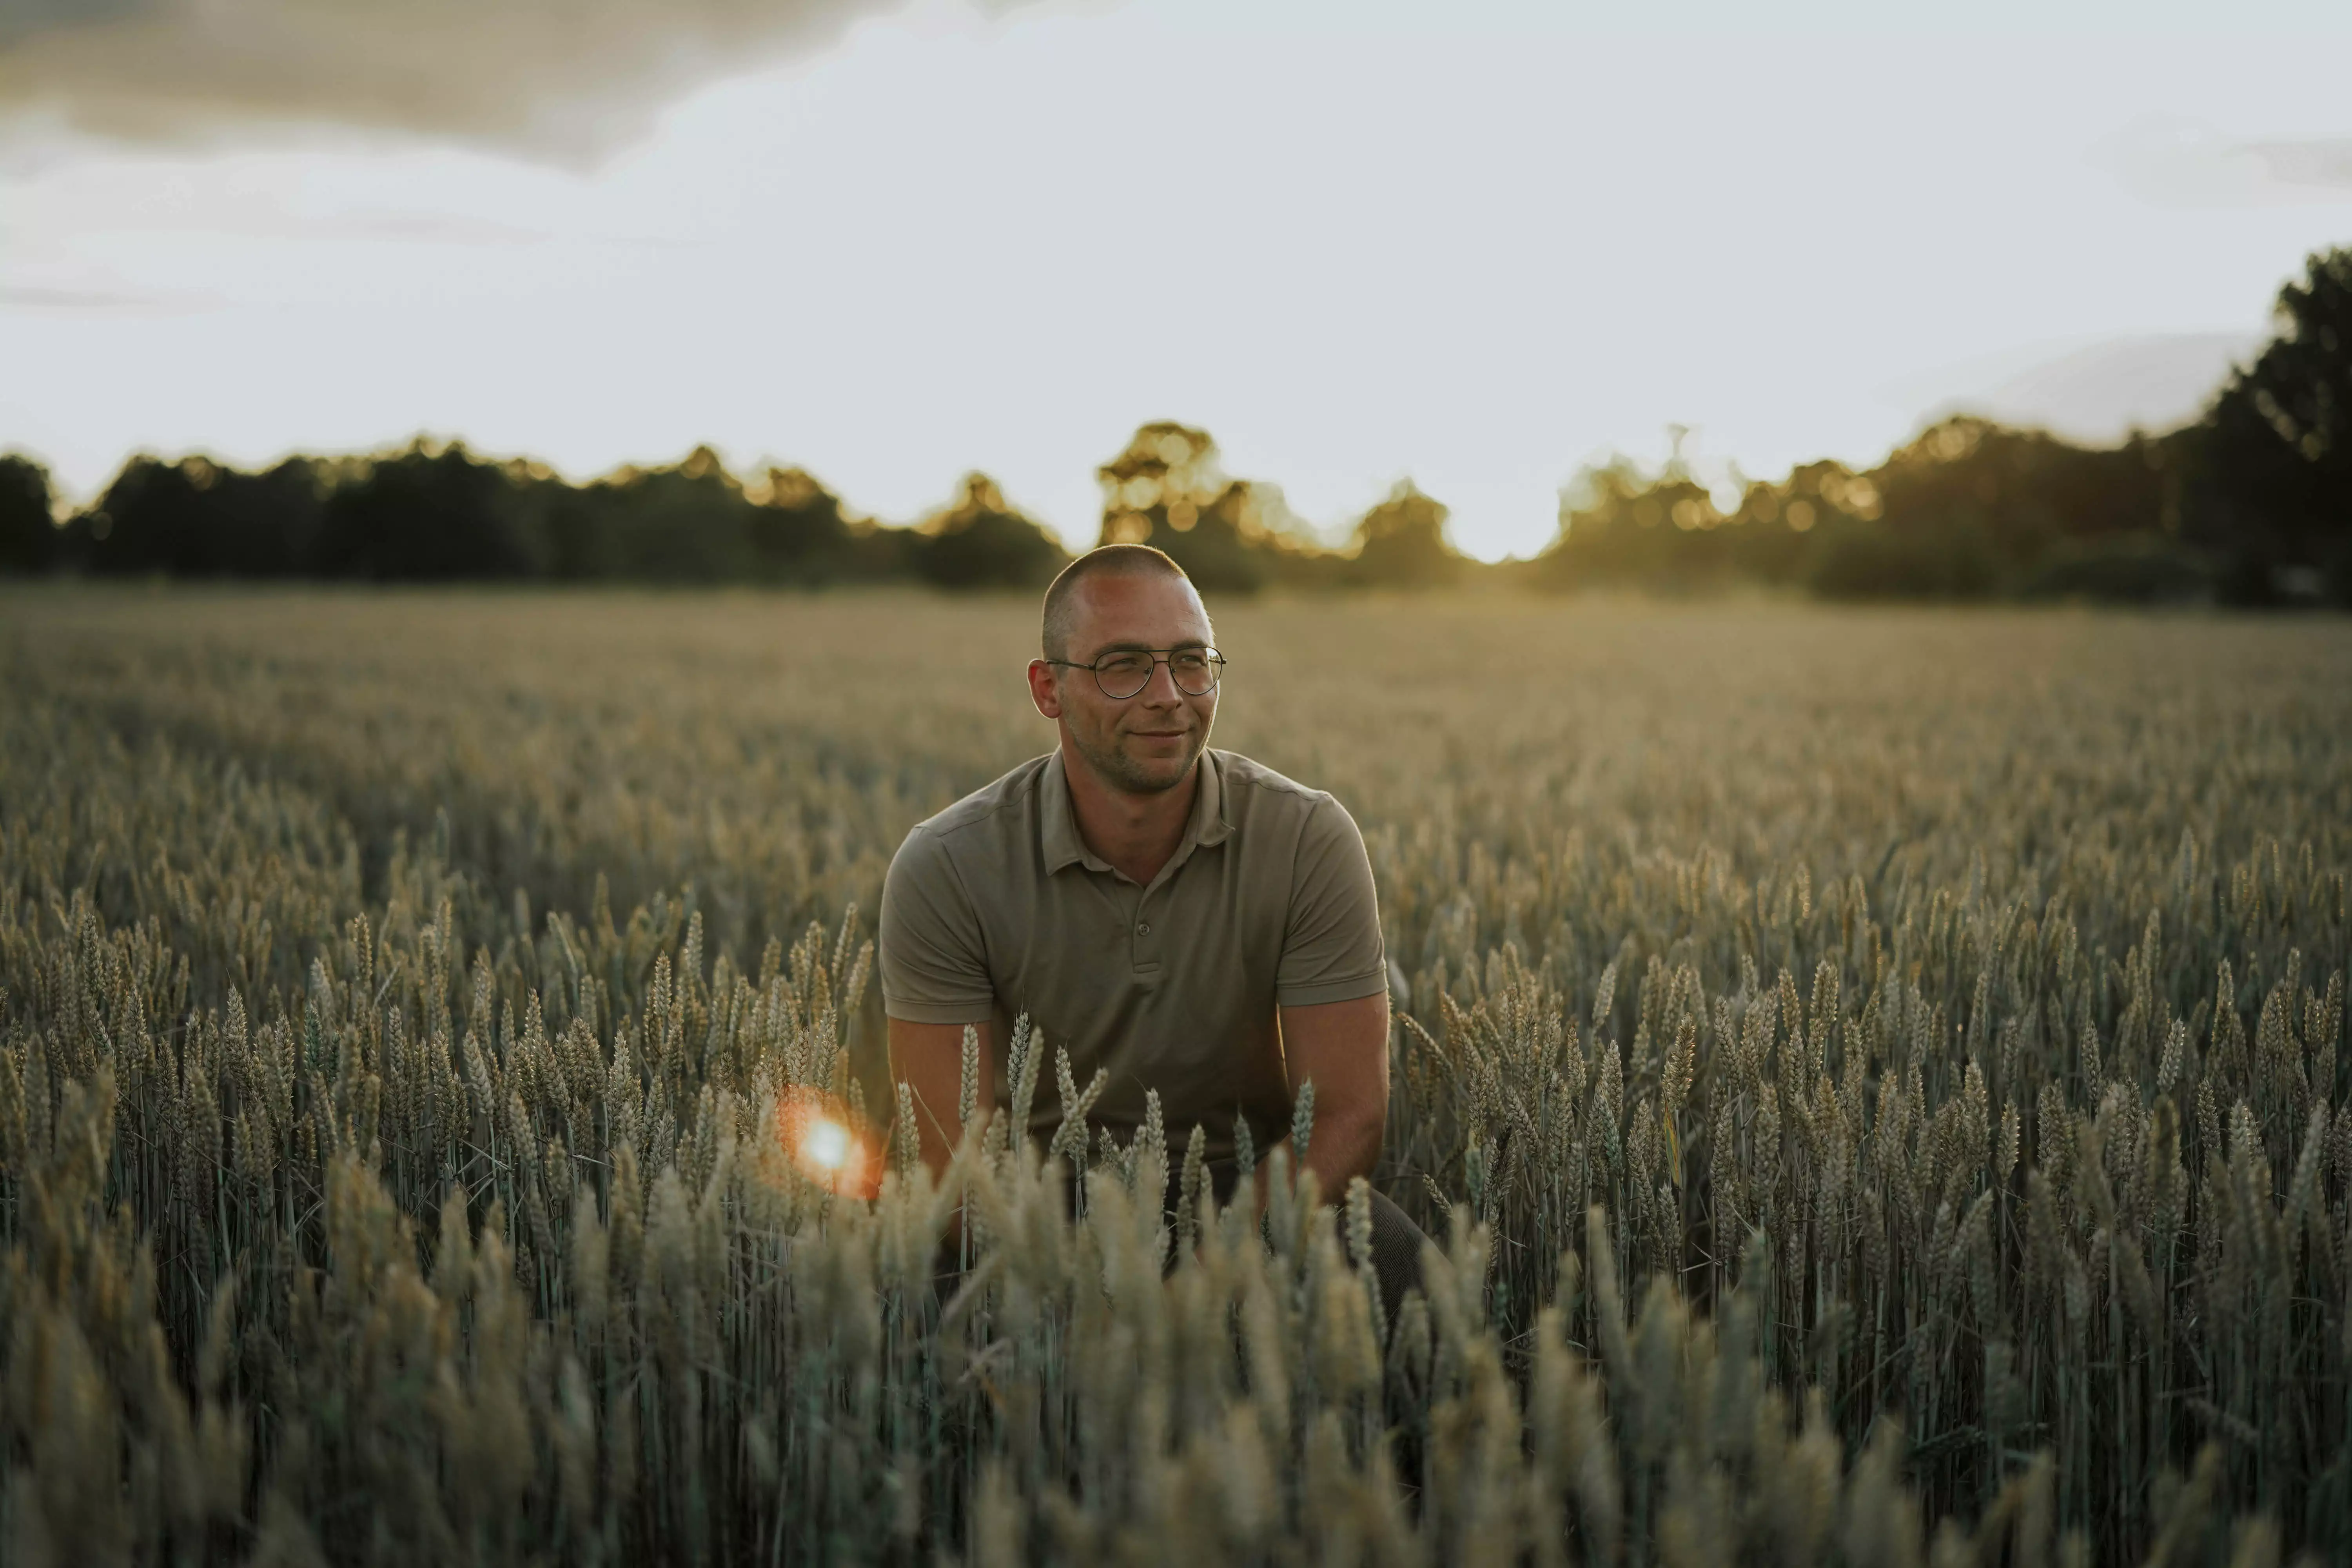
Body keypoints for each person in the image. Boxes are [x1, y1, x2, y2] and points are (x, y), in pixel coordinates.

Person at [878, 543, 1429, 1312]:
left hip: (1254, 1202)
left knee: (1401, 1265)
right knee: (882, 1305)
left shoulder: (1306, 836)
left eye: (1192, 661)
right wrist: (1075, 1305)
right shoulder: (948, 865)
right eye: (1124, 664)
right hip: (1036, 1216)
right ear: (1048, 688)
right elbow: (951, 1159)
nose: (1169, 694)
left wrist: (1203, 1286)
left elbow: (1346, 1115)